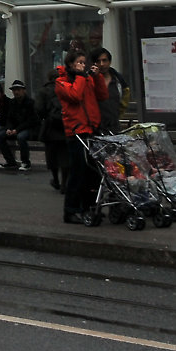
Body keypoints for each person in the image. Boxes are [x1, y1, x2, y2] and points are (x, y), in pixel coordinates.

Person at [55, 49, 109, 223]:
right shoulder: (62, 82)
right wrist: (80, 76)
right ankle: (71, 210)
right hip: (76, 132)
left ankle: (89, 207)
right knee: (78, 172)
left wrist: (97, 77)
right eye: (79, 62)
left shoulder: (87, 79)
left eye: (84, 62)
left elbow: (102, 95)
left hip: (91, 129)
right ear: (70, 64)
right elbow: (75, 96)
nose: (83, 65)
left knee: (93, 172)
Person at [0, 80, 40, 171]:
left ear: (24, 90)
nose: (16, 92)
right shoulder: (12, 102)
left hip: (30, 128)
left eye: (18, 90)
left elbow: (31, 121)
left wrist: (17, 130)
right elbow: (10, 118)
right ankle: (10, 161)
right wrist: (9, 128)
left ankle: (25, 162)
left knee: (21, 137)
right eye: (14, 90)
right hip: (16, 128)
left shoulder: (30, 103)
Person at [38, 69, 67, 191]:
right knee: (64, 156)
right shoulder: (65, 88)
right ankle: (65, 182)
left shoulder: (43, 91)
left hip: (50, 128)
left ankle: (55, 180)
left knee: (52, 156)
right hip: (64, 127)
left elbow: (39, 109)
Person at [91, 47, 129, 133]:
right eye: (98, 61)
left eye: (104, 60)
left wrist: (117, 115)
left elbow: (125, 98)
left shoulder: (118, 80)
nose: (102, 64)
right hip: (96, 128)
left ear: (109, 62)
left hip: (114, 125)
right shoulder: (89, 80)